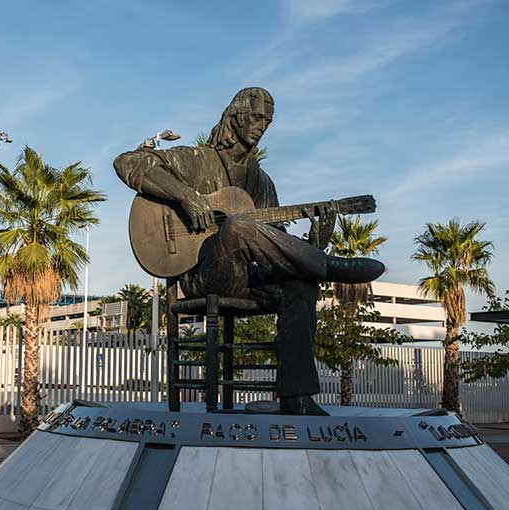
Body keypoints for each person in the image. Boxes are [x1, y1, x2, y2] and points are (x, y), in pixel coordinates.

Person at [113, 87, 385, 415]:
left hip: (246, 277)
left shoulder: (263, 182)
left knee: (300, 284)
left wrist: (315, 242)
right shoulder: (196, 160)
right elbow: (127, 162)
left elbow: (276, 247)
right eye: (256, 117)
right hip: (204, 274)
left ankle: (296, 398)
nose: (262, 126)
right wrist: (185, 195)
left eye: (267, 121)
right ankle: (326, 265)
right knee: (238, 225)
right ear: (235, 116)